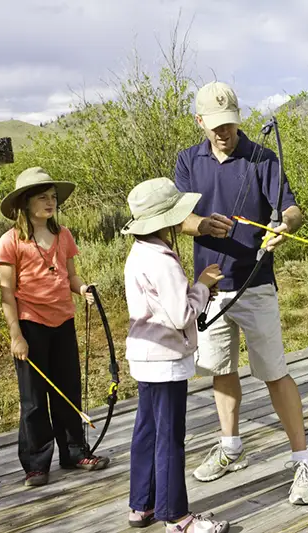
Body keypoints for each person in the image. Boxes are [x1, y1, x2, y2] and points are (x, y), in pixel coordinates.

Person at [174, 81, 308, 505]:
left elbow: (293, 208)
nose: (224, 133)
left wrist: (284, 226)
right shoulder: (187, 160)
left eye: (230, 124)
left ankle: (303, 461)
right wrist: (200, 225)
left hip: (254, 286)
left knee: (275, 372)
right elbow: (177, 216)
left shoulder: (262, 157)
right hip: (209, 288)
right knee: (221, 370)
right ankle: (230, 447)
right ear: (200, 122)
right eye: (216, 126)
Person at [121, 177, 229, 532]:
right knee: (170, 437)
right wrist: (203, 285)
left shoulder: (139, 252)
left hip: (145, 358)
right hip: (165, 359)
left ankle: (142, 505)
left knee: (148, 431)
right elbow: (181, 314)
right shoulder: (163, 261)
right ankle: (177, 517)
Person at [0, 167, 110, 487]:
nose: (50, 202)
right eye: (42, 197)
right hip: (31, 325)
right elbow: (6, 293)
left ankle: (74, 452)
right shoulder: (10, 241)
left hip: (63, 321)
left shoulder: (63, 235)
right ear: (25, 203)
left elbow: (70, 276)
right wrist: (16, 334)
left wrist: (83, 289)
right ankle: (36, 464)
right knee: (33, 399)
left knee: (68, 390)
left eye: (53, 197)